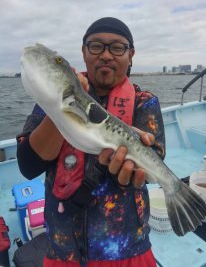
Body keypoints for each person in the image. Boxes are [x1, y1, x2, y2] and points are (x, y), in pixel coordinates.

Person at [17, 17, 165, 267]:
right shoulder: (50, 95)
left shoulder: (144, 101)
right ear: (84, 53)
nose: (106, 55)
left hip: (128, 248)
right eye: (96, 46)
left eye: (117, 47)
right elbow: (28, 166)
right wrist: (63, 103)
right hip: (63, 250)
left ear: (130, 55)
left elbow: (154, 160)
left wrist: (133, 171)